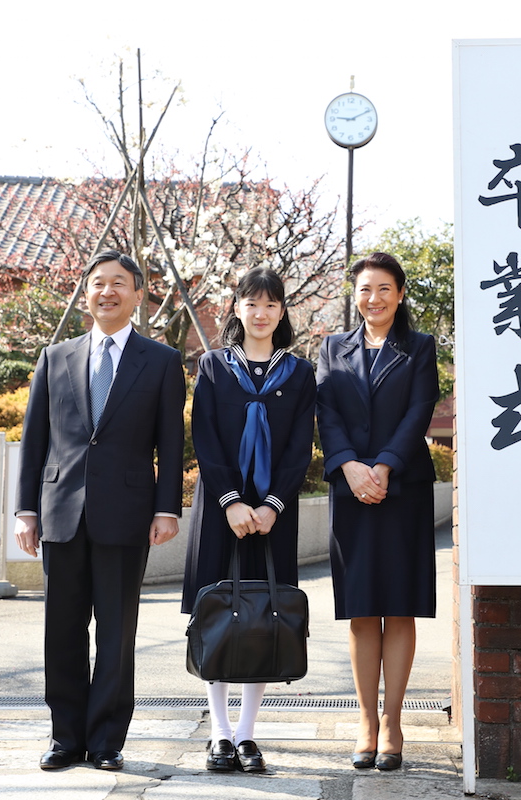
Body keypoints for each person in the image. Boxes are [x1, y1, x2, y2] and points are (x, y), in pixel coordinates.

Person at [14, 250, 186, 772]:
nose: (107, 292)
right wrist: (26, 510)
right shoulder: (55, 356)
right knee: (62, 630)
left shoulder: (160, 361)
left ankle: (107, 740)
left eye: (119, 284)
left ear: (138, 295)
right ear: (86, 294)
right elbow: (33, 439)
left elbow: (171, 445)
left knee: (116, 632)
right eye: (97, 284)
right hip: (61, 512)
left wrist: (167, 509)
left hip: (127, 514)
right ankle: (65, 737)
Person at [181, 267, 316, 774]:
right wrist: (233, 502)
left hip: (273, 514)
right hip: (222, 509)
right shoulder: (213, 366)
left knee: (265, 616)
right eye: (251, 303)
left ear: (282, 313)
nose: (261, 314)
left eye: (271, 305)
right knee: (217, 615)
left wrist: (271, 505)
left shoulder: (300, 373)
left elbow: (299, 446)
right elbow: (207, 438)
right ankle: (218, 732)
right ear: (235, 307)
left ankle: (246, 733)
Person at [316, 252, 440, 772]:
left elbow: (420, 409)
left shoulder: (420, 348)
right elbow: (326, 410)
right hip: (351, 492)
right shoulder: (331, 348)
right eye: (365, 289)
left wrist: (385, 466)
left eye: (385, 288)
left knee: (400, 605)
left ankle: (393, 723)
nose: (374, 298)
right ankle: (366, 722)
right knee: (363, 608)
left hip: (403, 488)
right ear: (356, 294)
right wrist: (349, 467)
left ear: (401, 294)